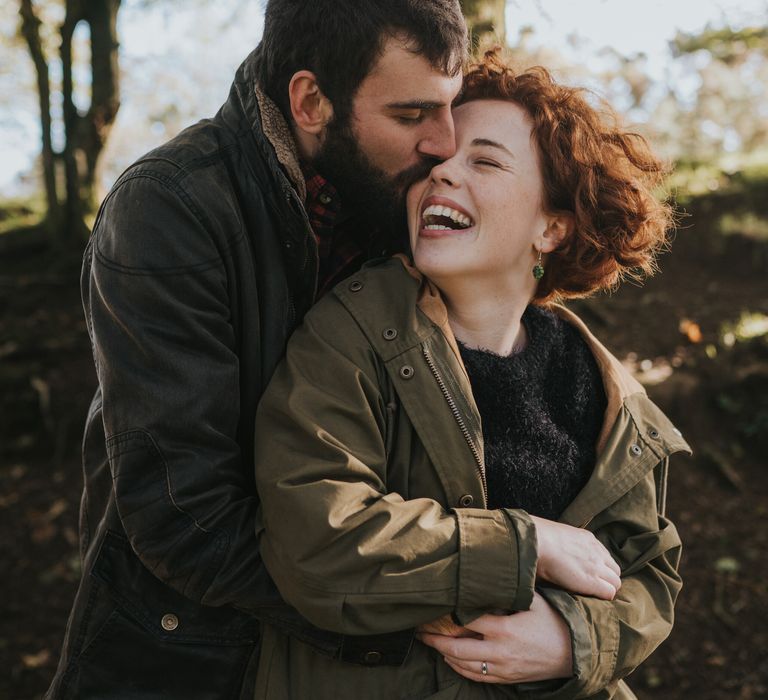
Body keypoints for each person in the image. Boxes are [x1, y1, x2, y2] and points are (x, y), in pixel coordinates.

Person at [45, 2, 469, 698]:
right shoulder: (171, 208)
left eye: (451, 107)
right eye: (411, 114)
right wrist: (421, 618)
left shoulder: (404, 203)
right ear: (309, 101)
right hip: (181, 662)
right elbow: (186, 516)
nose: (445, 142)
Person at [252, 51, 691, 699]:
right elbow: (315, 543)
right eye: (434, 162)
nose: (443, 174)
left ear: (551, 227)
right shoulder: (349, 334)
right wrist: (526, 544)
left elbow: (648, 577)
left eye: (483, 160)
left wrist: (574, 642)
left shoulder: (604, 390)